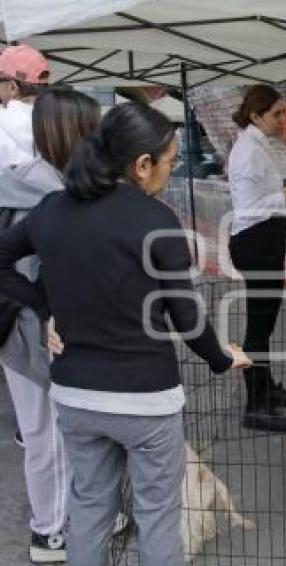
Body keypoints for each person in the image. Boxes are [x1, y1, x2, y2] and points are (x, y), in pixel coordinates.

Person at [0, 102, 252, 566]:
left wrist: (44, 306)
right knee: (157, 515)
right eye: (170, 162)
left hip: (75, 396)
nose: (170, 171)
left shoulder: (52, 209)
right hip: (145, 402)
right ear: (142, 164)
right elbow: (185, 315)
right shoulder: (155, 222)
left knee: (90, 507)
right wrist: (222, 357)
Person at [0, 46, 71, 563]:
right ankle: (60, 523)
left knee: (36, 424)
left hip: (13, 305)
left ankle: (49, 529)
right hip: (42, 299)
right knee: (58, 420)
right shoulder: (38, 136)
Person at [228, 84, 286, 433]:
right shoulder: (247, 150)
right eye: (276, 114)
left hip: (264, 241)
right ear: (256, 115)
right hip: (255, 242)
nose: (282, 120)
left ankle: (267, 389)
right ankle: (255, 405)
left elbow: (261, 191)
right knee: (258, 329)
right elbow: (247, 207)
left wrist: (283, 189)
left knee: (265, 325)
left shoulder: (257, 145)